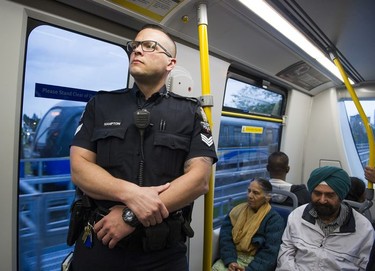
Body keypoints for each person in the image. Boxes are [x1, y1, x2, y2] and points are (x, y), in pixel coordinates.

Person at [68, 24, 217, 271]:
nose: (137, 51)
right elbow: (80, 168)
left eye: (149, 46)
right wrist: (131, 194)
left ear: (171, 63)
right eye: (134, 46)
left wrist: (131, 216)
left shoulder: (190, 113)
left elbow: (199, 179)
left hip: (162, 253)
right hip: (101, 239)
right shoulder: (101, 104)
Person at [277, 166, 374, 270]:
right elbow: (286, 254)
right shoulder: (297, 216)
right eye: (317, 193)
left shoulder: (363, 229)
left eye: (330, 195)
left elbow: (364, 266)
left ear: (341, 196)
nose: (322, 200)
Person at [212, 178, 285, 271]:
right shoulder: (236, 211)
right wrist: (231, 261)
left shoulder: (274, 220)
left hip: (255, 263)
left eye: (256, 193)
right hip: (232, 257)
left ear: (267, 197)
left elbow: (270, 253)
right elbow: (225, 238)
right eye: (249, 191)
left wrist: (248, 269)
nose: (250, 195)